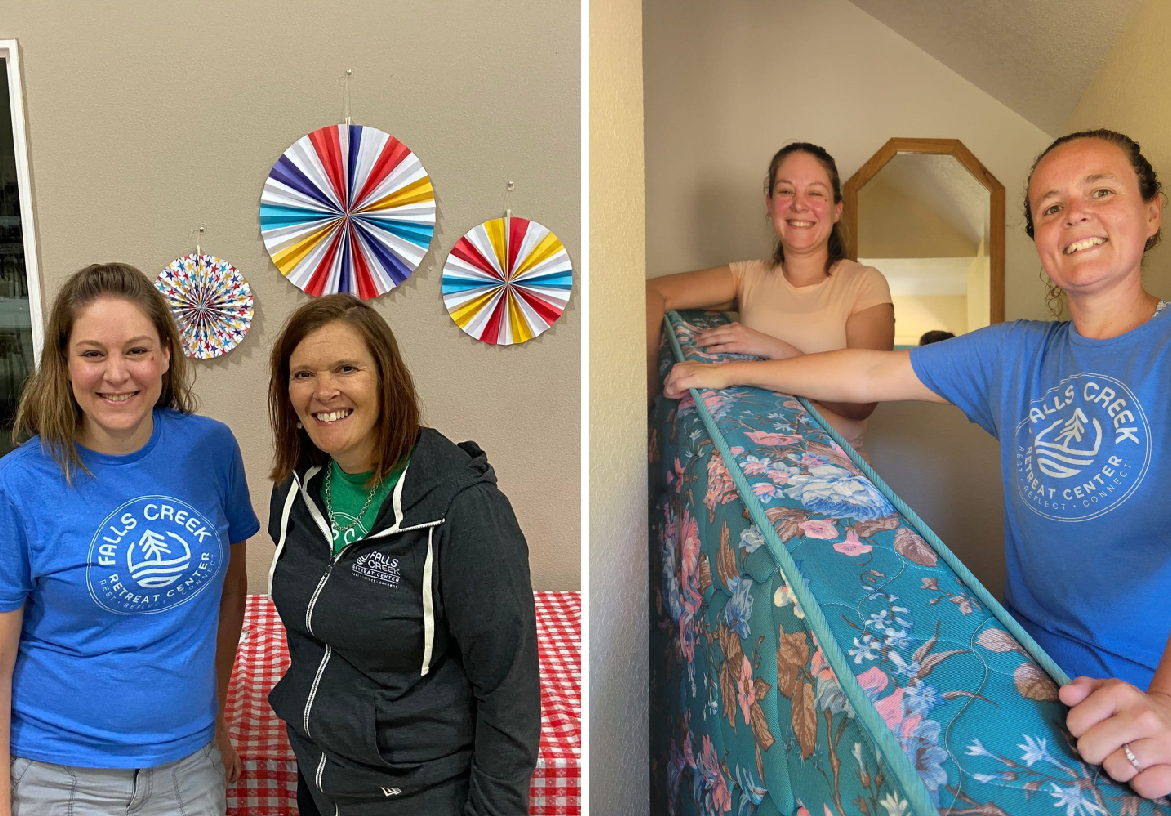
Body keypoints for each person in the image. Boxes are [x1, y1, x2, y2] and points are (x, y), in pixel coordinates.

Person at [664, 129, 1171, 799]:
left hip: (1142, 694)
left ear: (1151, 213)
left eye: (1099, 192)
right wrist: (727, 377)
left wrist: (1163, 705)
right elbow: (869, 368)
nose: (1073, 213)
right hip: (1032, 671)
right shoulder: (1012, 353)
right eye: (1049, 206)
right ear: (1039, 241)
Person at [265, 294, 539, 815]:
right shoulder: (295, 493)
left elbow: (509, 688)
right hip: (322, 777)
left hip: (417, 790)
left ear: (386, 379)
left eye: (347, 368)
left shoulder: (464, 509)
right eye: (303, 375)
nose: (325, 391)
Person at [0, 262, 257, 814]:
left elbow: (229, 594)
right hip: (59, 775)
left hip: (189, 770)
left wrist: (216, 721)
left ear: (166, 353)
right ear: (64, 365)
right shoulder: (17, 483)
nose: (116, 374)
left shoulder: (211, 450)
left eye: (136, 350)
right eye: (93, 353)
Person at [646, 141, 895, 457]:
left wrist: (770, 347)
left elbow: (858, 402)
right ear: (769, 203)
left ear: (837, 209)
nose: (799, 205)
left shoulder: (864, 283)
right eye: (786, 191)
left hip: (833, 471)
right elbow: (650, 293)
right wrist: (648, 401)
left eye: (815, 193)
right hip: (751, 459)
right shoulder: (748, 275)